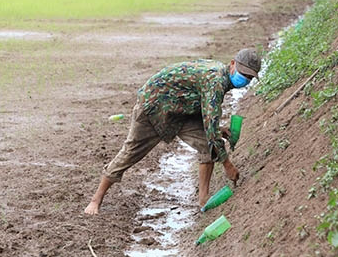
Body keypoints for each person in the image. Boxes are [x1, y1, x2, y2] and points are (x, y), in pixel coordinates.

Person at [84, 48, 261, 215]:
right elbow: (211, 125)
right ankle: (96, 199)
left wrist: (216, 129)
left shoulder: (219, 74)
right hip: (154, 108)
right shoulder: (215, 81)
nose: (244, 79)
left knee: (207, 145)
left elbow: (207, 116)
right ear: (232, 64)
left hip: (181, 110)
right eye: (242, 73)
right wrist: (227, 165)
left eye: (249, 77)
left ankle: (203, 199)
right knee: (131, 152)